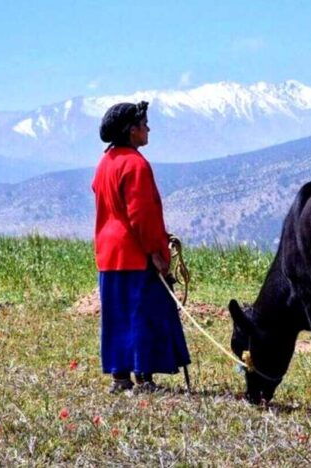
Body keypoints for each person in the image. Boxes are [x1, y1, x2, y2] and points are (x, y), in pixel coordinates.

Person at [92, 101, 191, 394]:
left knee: (117, 317)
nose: (148, 129)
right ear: (132, 131)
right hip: (136, 254)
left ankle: (120, 377)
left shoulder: (105, 163)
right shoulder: (135, 164)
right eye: (144, 124)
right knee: (142, 315)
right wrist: (156, 253)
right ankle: (144, 379)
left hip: (109, 254)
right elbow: (141, 215)